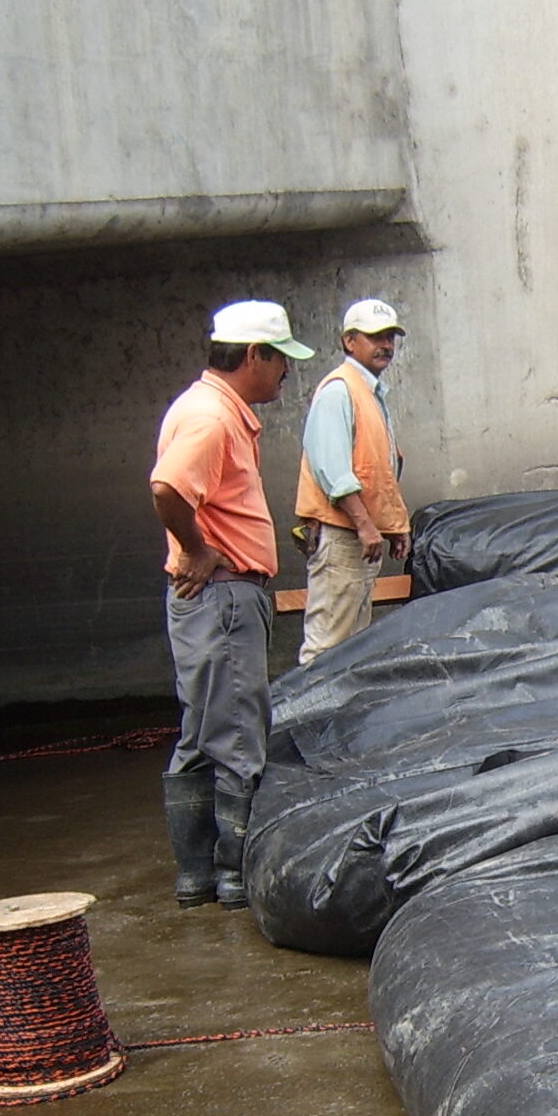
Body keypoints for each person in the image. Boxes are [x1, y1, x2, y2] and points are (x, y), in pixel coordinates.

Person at [150, 300, 315, 908]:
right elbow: (168, 487)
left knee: (201, 729)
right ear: (254, 356)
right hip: (222, 595)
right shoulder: (213, 418)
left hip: (211, 598)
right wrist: (198, 548)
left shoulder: (207, 409)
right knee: (239, 731)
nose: (284, 375)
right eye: (280, 361)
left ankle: (198, 875)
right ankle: (234, 877)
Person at [293, 298, 412, 665]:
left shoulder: (367, 392)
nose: (386, 345)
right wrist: (365, 525)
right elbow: (334, 470)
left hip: (358, 539)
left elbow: (378, 470)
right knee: (327, 649)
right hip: (342, 536)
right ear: (350, 341)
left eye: (390, 336)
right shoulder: (339, 391)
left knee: (351, 650)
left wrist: (393, 526)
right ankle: (310, 720)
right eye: (376, 336)